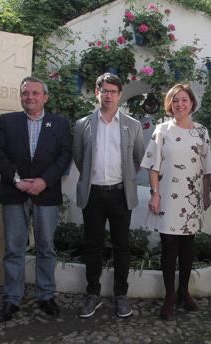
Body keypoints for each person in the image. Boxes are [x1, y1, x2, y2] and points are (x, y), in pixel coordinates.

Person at [0, 76, 72, 322]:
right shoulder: (7, 121)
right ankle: (12, 298)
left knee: (46, 247)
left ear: (45, 97)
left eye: (36, 93)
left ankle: (46, 295)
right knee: (14, 248)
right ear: (20, 96)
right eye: (26, 93)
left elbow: (65, 155)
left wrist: (44, 181)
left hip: (46, 193)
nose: (30, 97)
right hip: (14, 191)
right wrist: (16, 180)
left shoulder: (59, 123)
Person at [73, 73, 145, 318]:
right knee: (92, 245)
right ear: (97, 93)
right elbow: (79, 157)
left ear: (120, 94)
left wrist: (123, 178)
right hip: (92, 194)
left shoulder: (132, 125)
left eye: (113, 91)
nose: (108, 95)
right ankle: (92, 293)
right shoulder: (82, 124)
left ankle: (121, 295)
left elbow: (138, 158)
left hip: (120, 195)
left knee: (122, 246)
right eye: (104, 90)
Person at [140, 83, 211, 320]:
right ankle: (170, 295)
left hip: (191, 197)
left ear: (192, 102)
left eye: (184, 99)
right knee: (169, 246)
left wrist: (206, 193)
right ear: (170, 105)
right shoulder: (162, 130)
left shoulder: (201, 132)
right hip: (167, 196)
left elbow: (207, 167)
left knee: (188, 247)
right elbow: (153, 164)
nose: (179, 104)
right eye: (175, 100)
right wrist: (155, 193)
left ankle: (184, 292)